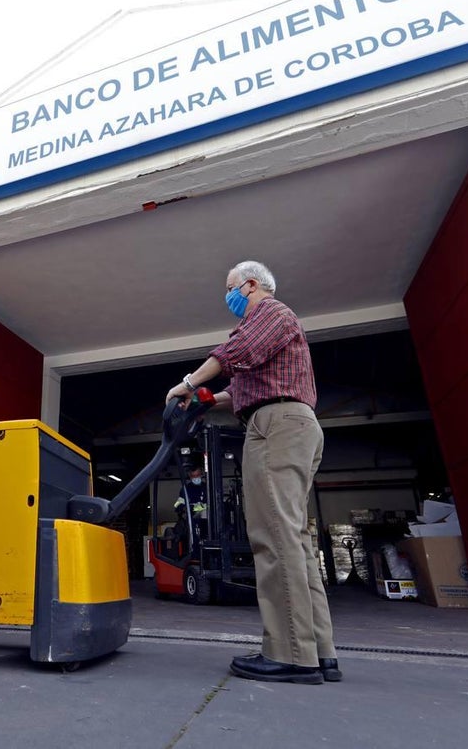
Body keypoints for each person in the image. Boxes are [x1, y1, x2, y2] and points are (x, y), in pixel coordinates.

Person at [166, 260, 339, 685]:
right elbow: (241, 389)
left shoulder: (271, 312)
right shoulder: (273, 338)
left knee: (273, 537)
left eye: (230, 289)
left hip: (276, 428)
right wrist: (205, 399)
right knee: (293, 539)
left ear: (249, 285)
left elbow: (234, 352)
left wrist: (186, 383)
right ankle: (318, 653)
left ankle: (289, 655)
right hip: (290, 423)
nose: (229, 298)